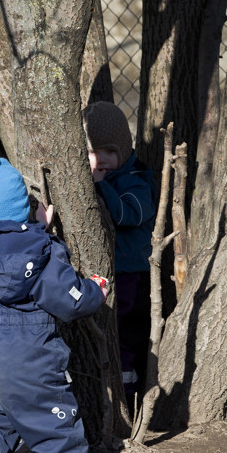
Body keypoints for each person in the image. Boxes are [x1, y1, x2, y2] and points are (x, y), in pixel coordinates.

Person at [0, 150, 109, 453]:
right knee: (47, 406)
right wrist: (95, 291)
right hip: (28, 347)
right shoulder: (42, 248)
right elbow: (68, 300)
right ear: (25, 207)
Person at [83, 101, 158, 399]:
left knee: (127, 337)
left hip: (131, 277)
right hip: (106, 274)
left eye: (109, 152)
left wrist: (103, 187)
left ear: (123, 151)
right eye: (92, 153)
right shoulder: (101, 179)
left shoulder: (134, 180)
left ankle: (129, 395)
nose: (100, 160)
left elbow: (129, 215)